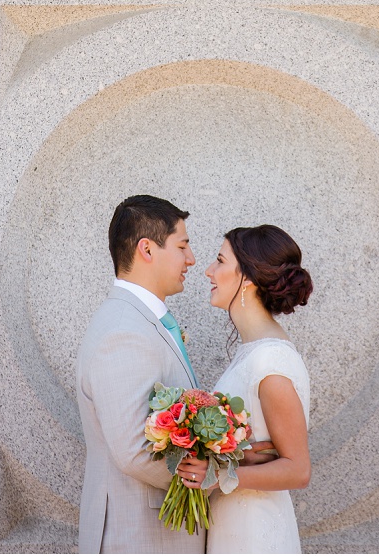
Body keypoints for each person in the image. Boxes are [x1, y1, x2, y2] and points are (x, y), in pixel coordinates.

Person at [76, 195, 204, 553]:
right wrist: (215, 474)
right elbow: (135, 451)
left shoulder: (139, 322)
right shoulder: (123, 331)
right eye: (183, 246)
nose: (191, 260)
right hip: (137, 538)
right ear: (147, 249)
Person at [178, 224, 314, 553]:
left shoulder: (270, 360)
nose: (209, 270)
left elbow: (298, 469)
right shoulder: (253, 351)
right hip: (235, 524)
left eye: (220, 261)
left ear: (249, 278)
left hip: (256, 534)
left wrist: (220, 472)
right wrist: (232, 458)